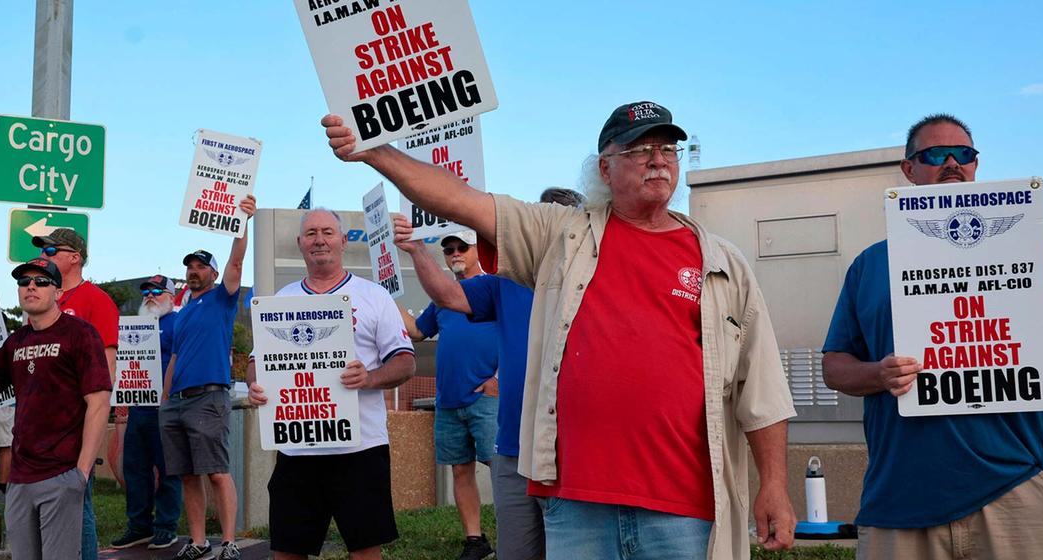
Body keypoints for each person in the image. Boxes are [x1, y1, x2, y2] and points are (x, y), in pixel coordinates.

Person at [321, 101, 798, 559]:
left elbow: (761, 388)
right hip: (576, 504)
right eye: (638, 150)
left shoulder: (722, 263)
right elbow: (462, 202)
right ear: (605, 169)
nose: (657, 160)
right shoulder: (561, 235)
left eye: (667, 149)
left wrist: (774, 484)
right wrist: (374, 151)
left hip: (683, 510)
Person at [821, 114, 1043, 559]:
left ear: (976, 166)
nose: (951, 163)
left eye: (963, 154)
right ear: (908, 170)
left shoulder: (1030, 252)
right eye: (933, 155)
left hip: (1019, 492)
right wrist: (877, 374)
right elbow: (835, 366)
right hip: (899, 503)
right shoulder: (869, 266)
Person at [392, 187, 582, 560]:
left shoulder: (598, 278)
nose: (549, 230)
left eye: (561, 222)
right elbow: (447, 297)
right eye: (542, 220)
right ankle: (474, 539)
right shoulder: (504, 281)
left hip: (573, 450)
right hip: (513, 448)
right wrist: (416, 250)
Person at [247, 208, 417, 560]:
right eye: (311, 234)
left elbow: (405, 362)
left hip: (360, 449)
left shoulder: (373, 296)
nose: (319, 240)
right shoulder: (280, 301)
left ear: (343, 241)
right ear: (299, 244)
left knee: (365, 548)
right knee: (287, 549)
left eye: (327, 232)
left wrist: (369, 378)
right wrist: (255, 385)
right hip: (297, 449)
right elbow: (255, 362)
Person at [0, 257, 111, 559]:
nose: (31, 287)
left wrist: (81, 471)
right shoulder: (16, 342)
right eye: (24, 282)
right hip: (20, 478)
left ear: (57, 292)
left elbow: (99, 402)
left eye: (41, 281)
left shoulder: (79, 333)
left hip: (62, 474)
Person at [161, 195, 255, 560]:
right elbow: (175, 357)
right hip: (177, 403)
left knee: (216, 472)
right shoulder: (181, 312)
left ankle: (228, 542)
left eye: (201, 266)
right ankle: (199, 542)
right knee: (187, 476)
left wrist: (243, 221)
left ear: (213, 274)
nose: (194, 270)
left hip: (209, 398)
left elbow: (237, 259)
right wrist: (165, 400)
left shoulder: (222, 298)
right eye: (190, 266)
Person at [401, 230, 499, 560]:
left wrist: (499, 379)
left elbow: (522, 332)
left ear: (476, 250)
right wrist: (390, 300)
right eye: (449, 250)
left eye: (462, 247)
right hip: (449, 400)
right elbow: (417, 331)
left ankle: (519, 534)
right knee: (460, 470)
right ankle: (475, 540)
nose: (455, 253)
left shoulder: (495, 286)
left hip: (486, 397)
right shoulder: (442, 299)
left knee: (501, 468)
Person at [31, 227, 120, 559]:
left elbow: (106, 369)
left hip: (74, 422)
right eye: (43, 251)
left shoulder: (96, 300)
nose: (44, 257)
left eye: (51, 252)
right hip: (39, 423)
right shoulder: (44, 300)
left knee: (75, 505)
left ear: (74, 258)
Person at [109, 275, 183, 551]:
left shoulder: (176, 322)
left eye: (157, 291)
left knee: (168, 469)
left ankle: (166, 527)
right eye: (146, 292)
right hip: (138, 405)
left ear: (171, 297)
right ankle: (139, 526)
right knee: (135, 467)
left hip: (166, 407)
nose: (150, 295)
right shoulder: (133, 326)